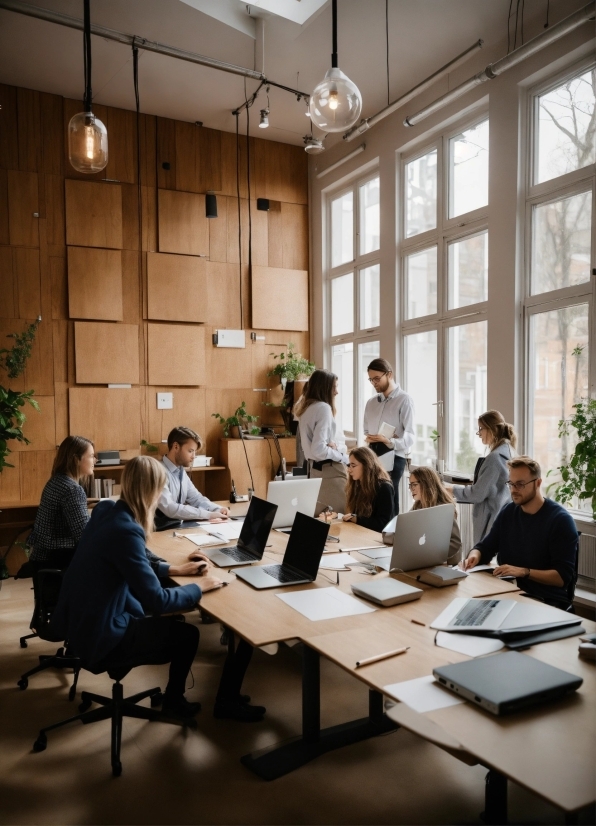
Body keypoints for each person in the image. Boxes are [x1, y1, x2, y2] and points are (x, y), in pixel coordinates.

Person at [51, 456, 224, 719]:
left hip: (80, 624)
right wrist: (201, 586)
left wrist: (173, 570)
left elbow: (126, 562)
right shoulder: (127, 530)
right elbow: (158, 601)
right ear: (152, 491)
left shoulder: (105, 510)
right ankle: (174, 703)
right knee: (188, 635)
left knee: (168, 619)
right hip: (102, 635)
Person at [462, 456, 578, 609]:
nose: (513, 490)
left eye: (520, 484)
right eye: (511, 484)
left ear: (538, 483)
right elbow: (485, 547)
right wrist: (473, 557)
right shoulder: (509, 511)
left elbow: (561, 577)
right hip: (508, 591)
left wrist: (524, 572)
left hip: (543, 599)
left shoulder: (560, 521)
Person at [445, 410, 516, 545]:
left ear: (492, 430)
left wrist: (452, 489)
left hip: (492, 521)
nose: (479, 434)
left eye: (481, 429)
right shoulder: (509, 451)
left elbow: (478, 493)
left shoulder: (495, 458)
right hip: (501, 518)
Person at [27, 436, 96, 574]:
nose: (95, 461)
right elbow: (84, 536)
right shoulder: (72, 489)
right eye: (92, 456)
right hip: (58, 559)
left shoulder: (55, 481)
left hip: (42, 556)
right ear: (76, 459)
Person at [363, 358, 415, 517]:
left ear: (389, 374)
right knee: (372, 499)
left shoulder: (404, 400)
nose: (374, 383)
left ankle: (392, 537)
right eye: (371, 379)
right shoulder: (371, 403)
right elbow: (366, 429)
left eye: (377, 378)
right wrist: (371, 438)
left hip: (394, 455)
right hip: (372, 455)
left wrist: (389, 441)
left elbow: (411, 437)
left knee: (389, 499)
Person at [294, 369, 349, 514]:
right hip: (331, 472)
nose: (337, 392)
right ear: (325, 388)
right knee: (339, 522)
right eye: (334, 387)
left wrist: (333, 445)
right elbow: (319, 449)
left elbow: (315, 448)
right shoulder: (323, 408)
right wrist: (342, 456)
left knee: (322, 520)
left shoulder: (306, 408)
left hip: (316, 470)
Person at [156, 426, 229, 527]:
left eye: (195, 452)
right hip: (158, 532)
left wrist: (216, 508)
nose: (194, 456)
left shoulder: (181, 471)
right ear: (176, 446)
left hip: (174, 528)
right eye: (190, 451)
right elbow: (170, 508)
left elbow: (196, 498)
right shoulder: (157, 471)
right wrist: (208, 515)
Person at [408, 466, 462, 563]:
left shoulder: (443, 509)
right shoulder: (418, 505)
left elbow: (455, 543)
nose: (411, 489)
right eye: (410, 485)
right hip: (425, 559)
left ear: (426, 484)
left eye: (414, 485)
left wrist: (430, 553)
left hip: (446, 563)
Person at [341, 446, 394, 533]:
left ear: (367, 465)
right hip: (361, 534)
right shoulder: (358, 485)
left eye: (353, 465)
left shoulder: (384, 487)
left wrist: (357, 519)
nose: (349, 470)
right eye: (349, 465)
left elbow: (383, 524)